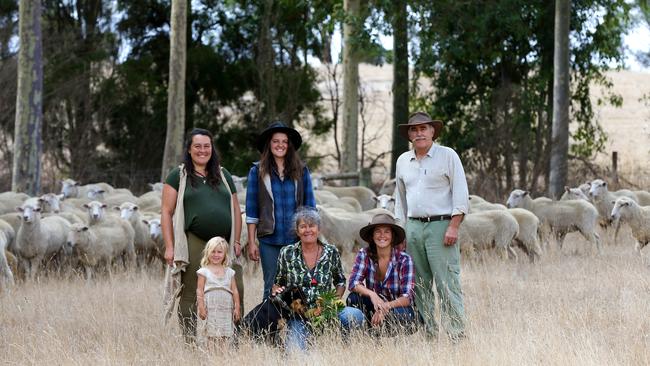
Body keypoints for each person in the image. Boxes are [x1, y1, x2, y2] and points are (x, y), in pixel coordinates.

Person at [161, 128, 243, 342]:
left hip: (224, 241)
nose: (202, 150)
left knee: (235, 288)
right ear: (189, 149)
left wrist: (236, 240)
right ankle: (191, 343)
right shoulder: (178, 175)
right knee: (191, 292)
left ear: (212, 149)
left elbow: (235, 208)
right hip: (194, 240)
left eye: (207, 146)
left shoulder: (223, 175)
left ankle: (232, 340)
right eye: (197, 146)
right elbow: (166, 212)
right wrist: (170, 246)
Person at [393, 112, 470, 341]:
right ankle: (429, 334)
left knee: (447, 282)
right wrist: (401, 231)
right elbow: (400, 198)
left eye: (423, 128)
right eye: (414, 130)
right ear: (409, 135)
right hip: (413, 226)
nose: (419, 133)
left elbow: (461, 193)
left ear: (432, 131)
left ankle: (457, 335)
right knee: (419, 284)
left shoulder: (447, 156)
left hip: (441, 225)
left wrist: (454, 226)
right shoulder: (402, 161)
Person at [271, 207, 362, 352]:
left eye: (312, 226)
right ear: (297, 230)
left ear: (318, 229)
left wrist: (333, 300)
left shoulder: (331, 252)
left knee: (355, 315)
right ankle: (306, 337)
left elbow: (340, 280)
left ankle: (344, 347)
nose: (308, 230)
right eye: (303, 226)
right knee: (295, 354)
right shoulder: (287, 253)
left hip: (326, 310)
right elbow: (278, 283)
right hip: (299, 315)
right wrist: (277, 290)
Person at [246, 121, 316, 299]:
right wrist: (252, 242)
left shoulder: (301, 170)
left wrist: (311, 238)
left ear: (289, 145)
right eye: (276, 141)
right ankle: (269, 326)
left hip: (295, 239)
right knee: (271, 285)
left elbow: (310, 207)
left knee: (298, 284)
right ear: (269, 144)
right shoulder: (257, 171)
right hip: (269, 239)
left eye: (284, 142)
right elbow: (252, 209)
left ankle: (297, 326)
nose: (280, 145)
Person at [345, 213, 416, 333]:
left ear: (392, 236)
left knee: (404, 316)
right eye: (377, 231)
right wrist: (372, 295)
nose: (382, 235)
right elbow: (353, 283)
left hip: (396, 307)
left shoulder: (404, 259)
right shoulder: (364, 254)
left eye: (387, 232)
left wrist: (385, 307)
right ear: (372, 236)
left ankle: (382, 332)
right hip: (374, 304)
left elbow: (408, 297)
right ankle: (366, 331)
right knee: (353, 299)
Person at [196, 236, 240, 348]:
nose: (216, 255)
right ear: (207, 253)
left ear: (225, 254)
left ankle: (222, 359)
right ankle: (212, 358)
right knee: (211, 336)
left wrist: (237, 307)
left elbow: (234, 290)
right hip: (210, 309)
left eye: (219, 252)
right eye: (213, 252)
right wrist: (201, 307)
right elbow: (199, 290)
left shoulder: (230, 272)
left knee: (224, 336)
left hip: (225, 309)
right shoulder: (204, 271)